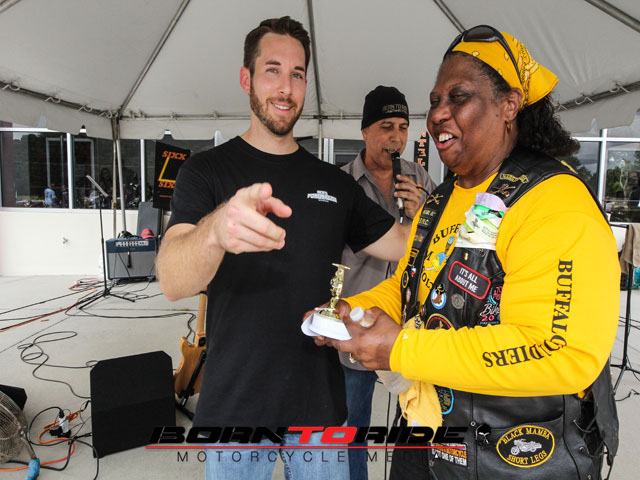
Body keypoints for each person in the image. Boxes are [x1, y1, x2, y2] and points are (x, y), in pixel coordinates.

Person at [316, 25, 620, 479]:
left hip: (518, 460)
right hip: (426, 439)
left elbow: (559, 352)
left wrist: (401, 348)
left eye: (458, 97)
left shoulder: (556, 201)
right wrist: (352, 312)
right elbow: (409, 287)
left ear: (509, 104)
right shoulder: (440, 199)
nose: (438, 114)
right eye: (435, 100)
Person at [156, 16, 412, 480]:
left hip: (318, 406)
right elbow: (172, 281)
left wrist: (465, 213)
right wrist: (216, 231)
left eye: (297, 74)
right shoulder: (206, 171)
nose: (285, 87)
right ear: (246, 79)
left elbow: (402, 244)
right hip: (235, 406)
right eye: (272, 70)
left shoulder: (334, 183)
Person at [338, 85, 436, 480]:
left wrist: (421, 211)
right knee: (354, 423)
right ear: (365, 131)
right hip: (359, 322)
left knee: (416, 420)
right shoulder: (341, 183)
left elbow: (442, 243)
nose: (396, 138)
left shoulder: (421, 178)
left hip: (411, 324)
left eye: (402, 127)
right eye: (385, 127)